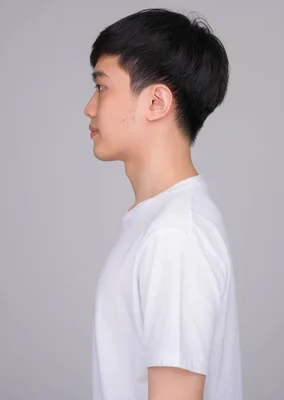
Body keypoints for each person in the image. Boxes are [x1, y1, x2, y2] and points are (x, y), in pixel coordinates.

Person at [83, 8, 242, 400]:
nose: (89, 107)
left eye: (102, 87)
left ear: (156, 102)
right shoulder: (162, 225)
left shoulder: (175, 235)